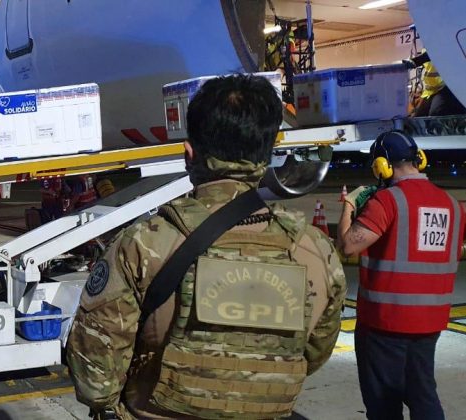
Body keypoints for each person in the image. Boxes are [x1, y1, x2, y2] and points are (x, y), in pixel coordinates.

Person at [66, 74, 346, 419]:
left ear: (189, 153)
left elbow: (95, 376)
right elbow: (313, 355)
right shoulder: (315, 251)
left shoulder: (143, 245)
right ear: (268, 152)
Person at [337, 130, 463, 420]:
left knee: (383, 405)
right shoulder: (452, 205)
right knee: (423, 397)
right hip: (430, 323)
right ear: (420, 159)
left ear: (382, 165)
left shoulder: (388, 201)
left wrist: (349, 205)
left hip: (384, 323)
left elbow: (347, 246)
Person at [405, 49, 466, 117]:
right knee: (418, 117)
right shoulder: (426, 47)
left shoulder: (440, 45)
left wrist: (414, 61)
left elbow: (436, 52)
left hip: (446, 88)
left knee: (435, 114)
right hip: (431, 90)